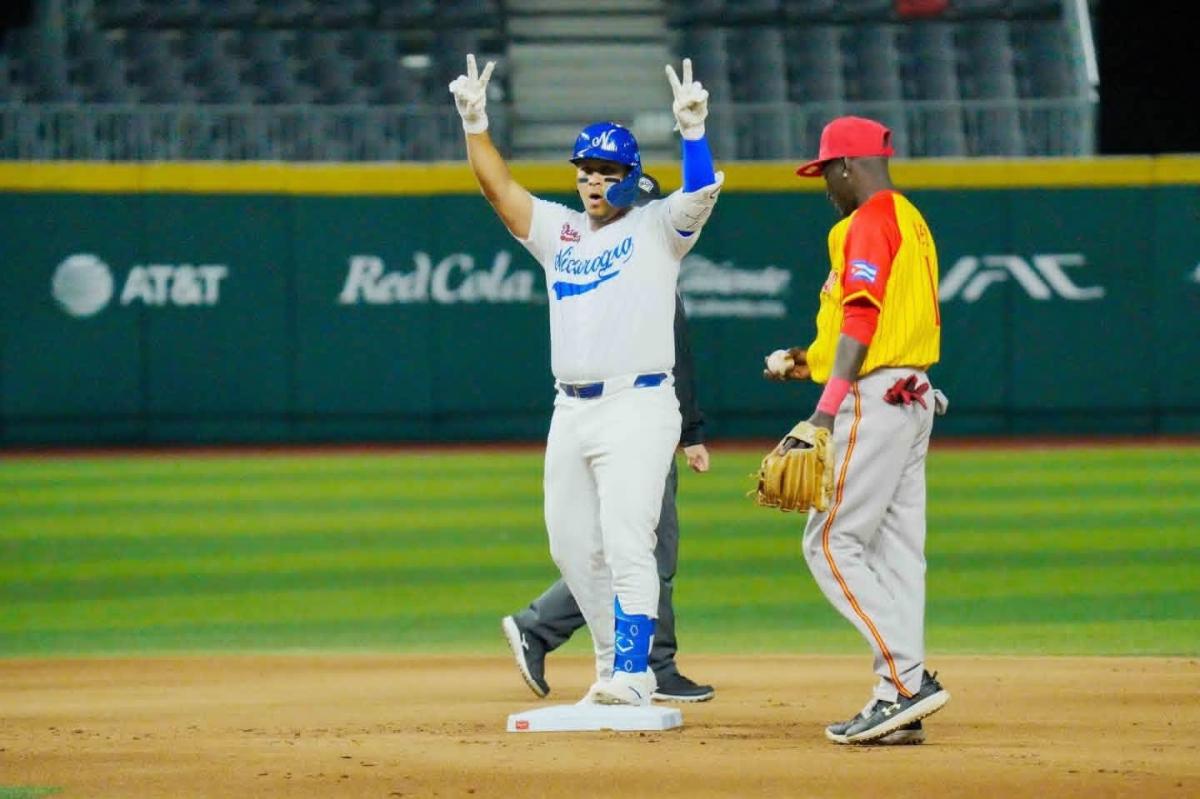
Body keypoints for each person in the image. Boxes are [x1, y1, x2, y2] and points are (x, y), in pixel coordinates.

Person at [449, 55, 723, 706]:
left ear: (631, 177)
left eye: (607, 172)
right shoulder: (561, 232)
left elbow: (702, 192)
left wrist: (693, 134)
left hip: (641, 401)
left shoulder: (658, 229)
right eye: (586, 171)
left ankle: (636, 668)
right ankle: (612, 667)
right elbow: (499, 191)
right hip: (570, 409)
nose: (593, 181)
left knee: (631, 538)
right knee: (572, 544)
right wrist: (475, 123)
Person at [763, 115, 950, 744]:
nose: (824, 186)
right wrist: (803, 363)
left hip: (875, 401)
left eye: (825, 173)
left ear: (847, 166)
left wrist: (823, 409)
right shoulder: (910, 219)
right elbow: (874, 328)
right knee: (897, 555)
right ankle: (900, 698)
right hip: (913, 395)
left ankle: (905, 681)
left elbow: (863, 321)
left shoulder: (865, 220)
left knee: (829, 543)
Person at [501, 174, 715, 703]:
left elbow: (675, 353)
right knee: (636, 547)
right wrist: (691, 433)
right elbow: (679, 352)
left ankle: (636, 661)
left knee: (631, 546)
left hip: (646, 412)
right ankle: (628, 659)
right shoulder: (618, 254)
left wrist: (686, 428)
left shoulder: (652, 251)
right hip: (623, 414)